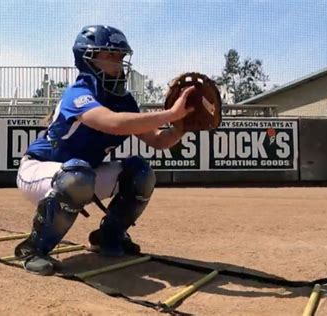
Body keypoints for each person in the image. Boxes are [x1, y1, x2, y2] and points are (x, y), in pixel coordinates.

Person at [14, 25, 195, 276]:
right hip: (37, 171)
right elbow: (113, 123)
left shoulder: (124, 100)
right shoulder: (78, 93)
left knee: (139, 172)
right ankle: (33, 249)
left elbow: (157, 140)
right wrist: (171, 114)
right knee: (77, 175)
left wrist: (181, 126)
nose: (118, 63)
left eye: (120, 56)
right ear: (88, 58)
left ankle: (108, 236)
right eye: (110, 55)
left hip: (81, 175)